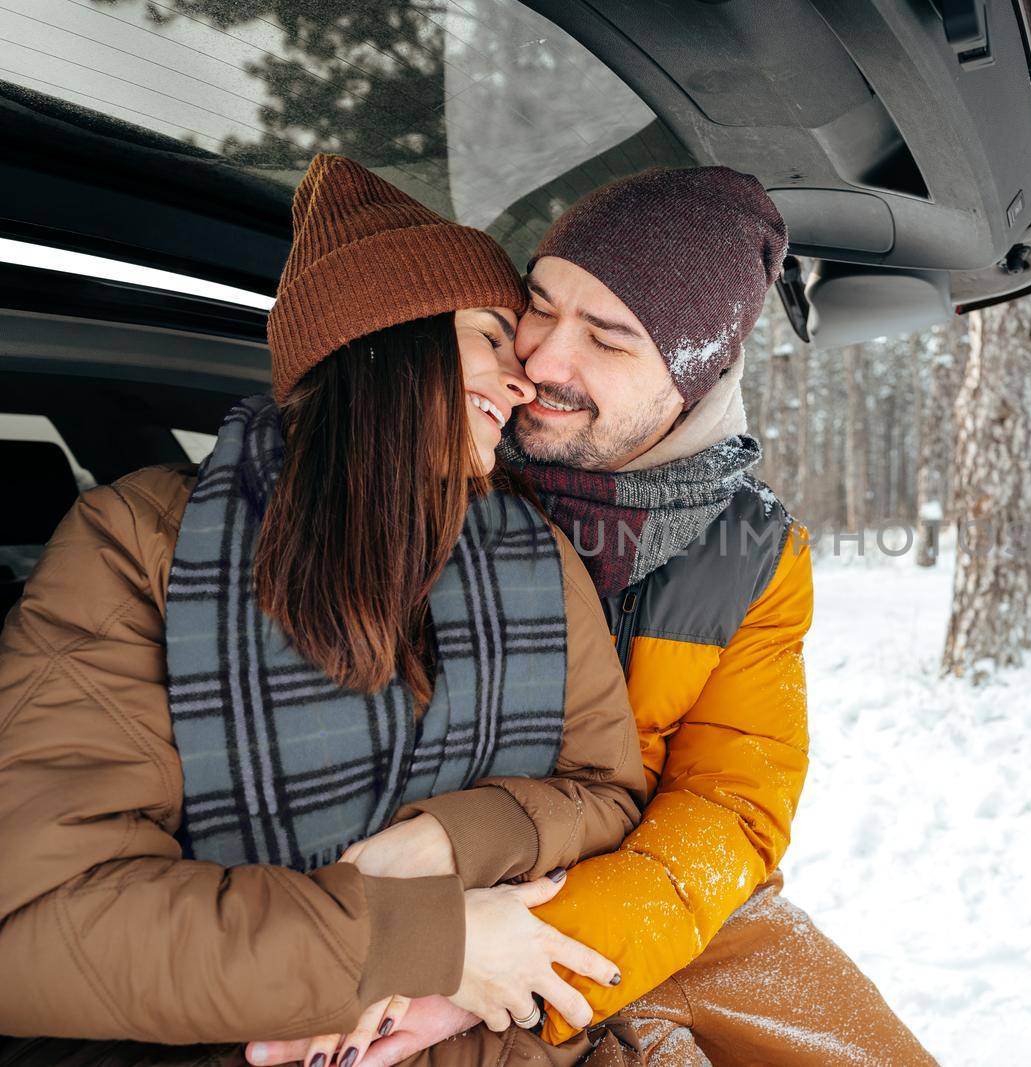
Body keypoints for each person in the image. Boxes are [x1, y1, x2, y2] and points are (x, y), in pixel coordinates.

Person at [254, 166, 936, 1067]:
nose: (539, 361)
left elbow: (732, 806)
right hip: (436, 882)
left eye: (608, 337)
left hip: (647, 904)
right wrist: (431, 942)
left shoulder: (755, 557)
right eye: (539, 305)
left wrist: (545, 950)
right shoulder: (449, 452)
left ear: (690, 381)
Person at [0, 155, 648, 1067]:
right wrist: (419, 940)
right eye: (492, 338)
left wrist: (448, 842)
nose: (522, 381)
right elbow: (41, 923)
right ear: (393, 334)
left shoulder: (534, 551)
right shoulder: (141, 543)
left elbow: (610, 793)